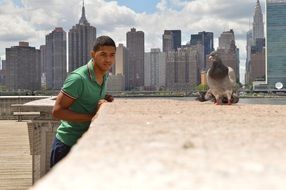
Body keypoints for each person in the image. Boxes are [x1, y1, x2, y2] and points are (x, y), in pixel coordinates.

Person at [50, 36, 116, 167]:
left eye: (112, 55)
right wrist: (92, 117)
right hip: (67, 146)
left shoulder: (105, 74)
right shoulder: (78, 78)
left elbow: (85, 97)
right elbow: (57, 112)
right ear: (93, 54)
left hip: (87, 144)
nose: (108, 60)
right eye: (103, 55)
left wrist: (105, 98)